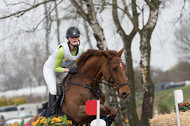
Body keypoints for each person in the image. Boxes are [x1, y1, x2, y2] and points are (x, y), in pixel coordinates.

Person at [43, 26, 84, 116]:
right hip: (50, 69)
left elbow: (79, 64)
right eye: (72, 37)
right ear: (68, 39)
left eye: (76, 37)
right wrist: (69, 70)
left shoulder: (81, 51)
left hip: (63, 71)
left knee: (70, 86)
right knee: (53, 89)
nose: (74, 39)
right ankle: (52, 113)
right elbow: (55, 68)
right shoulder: (62, 50)